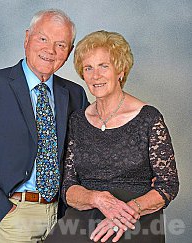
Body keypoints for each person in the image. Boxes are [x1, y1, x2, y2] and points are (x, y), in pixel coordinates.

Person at [0, 9, 89, 243]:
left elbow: (85, 156)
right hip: (14, 215)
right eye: (43, 39)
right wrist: (2, 212)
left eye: (61, 44)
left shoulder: (75, 95)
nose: (50, 50)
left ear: (69, 52)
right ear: (27, 38)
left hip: (62, 218)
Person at [45, 30, 179, 242]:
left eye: (103, 66)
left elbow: (168, 185)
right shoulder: (77, 120)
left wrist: (125, 213)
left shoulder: (149, 118)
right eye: (88, 68)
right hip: (85, 216)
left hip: (136, 219)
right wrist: (97, 198)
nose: (95, 75)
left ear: (121, 71)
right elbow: (67, 187)